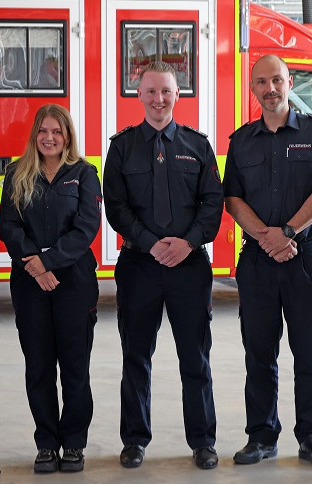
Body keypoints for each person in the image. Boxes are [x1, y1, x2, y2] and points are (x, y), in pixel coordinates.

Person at [223, 54, 312, 470]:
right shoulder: (240, 141)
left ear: (289, 81)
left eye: (277, 80)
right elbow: (233, 199)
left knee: (309, 352)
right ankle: (261, 435)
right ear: (252, 88)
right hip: (258, 260)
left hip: (304, 258)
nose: (270, 88)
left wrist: (288, 232)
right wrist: (266, 236)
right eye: (261, 82)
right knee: (258, 352)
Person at [103, 61, 224, 470]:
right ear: (138, 96)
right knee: (136, 356)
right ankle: (135, 440)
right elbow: (116, 208)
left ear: (178, 95)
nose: (158, 100)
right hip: (140, 266)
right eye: (151, 92)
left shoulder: (198, 145)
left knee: (195, 357)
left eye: (166, 92)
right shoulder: (121, 147)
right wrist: (153, 244)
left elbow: (213, 203)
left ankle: (203, 441)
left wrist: (187, 243)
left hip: (189, 267)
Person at [0, 104, 101, 474]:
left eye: (57, 131)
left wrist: (49, 261)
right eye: (43, 131)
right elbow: (7, 226)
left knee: (75, 365)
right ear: (34, 136)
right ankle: (46, 443)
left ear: (68, 135)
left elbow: (87, 227)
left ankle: (73, 443)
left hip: (73, 280)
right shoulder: (17, 172)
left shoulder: (85, 174)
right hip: (29, 281)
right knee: (39, 365)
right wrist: (33, 263)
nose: (49, 137)